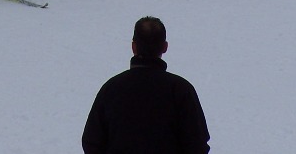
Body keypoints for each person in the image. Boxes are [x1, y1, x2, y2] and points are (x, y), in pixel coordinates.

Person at [82, 16, 211, 154]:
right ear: (165, 47)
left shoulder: (111, 89)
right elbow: (197, 144)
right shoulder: (181, 90)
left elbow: (92, 142)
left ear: (133, 46)